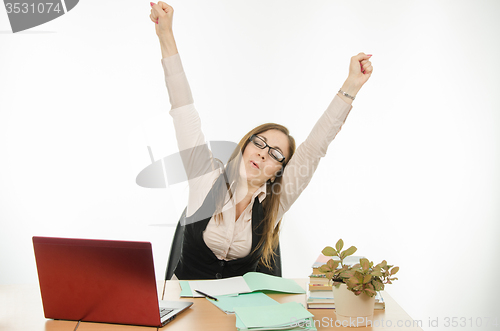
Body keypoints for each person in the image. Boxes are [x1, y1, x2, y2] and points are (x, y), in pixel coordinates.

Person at [149, 2, 373, 280]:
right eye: (260, 143)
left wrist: (351, 84)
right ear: (245, 145)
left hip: (239, 311)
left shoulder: (276, 202)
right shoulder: (205, 176)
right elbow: (183, 109)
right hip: (186, 305)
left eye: (277, 154)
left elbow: (315, 147)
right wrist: (166, 35)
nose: (265, 154)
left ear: (280, 169)